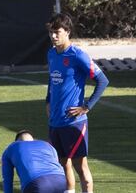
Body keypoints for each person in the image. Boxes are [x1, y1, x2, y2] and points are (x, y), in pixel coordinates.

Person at [45, 13, 109, 193]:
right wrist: (48, 101)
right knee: (62, 163)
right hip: (55, 121)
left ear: (67, 32)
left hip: (73, 122)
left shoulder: (77, 55)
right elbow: (52, 80)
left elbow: (102, 80)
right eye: (51, 32)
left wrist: (87, 107)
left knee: (81, 167)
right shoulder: (51, 54)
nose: (53, 36)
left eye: (57, 32)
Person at [1, 130, 66, 193]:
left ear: (17, 141)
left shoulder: (12, 147)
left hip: (37, 184)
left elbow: (7, 180)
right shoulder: (47, 145)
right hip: (61, 181)